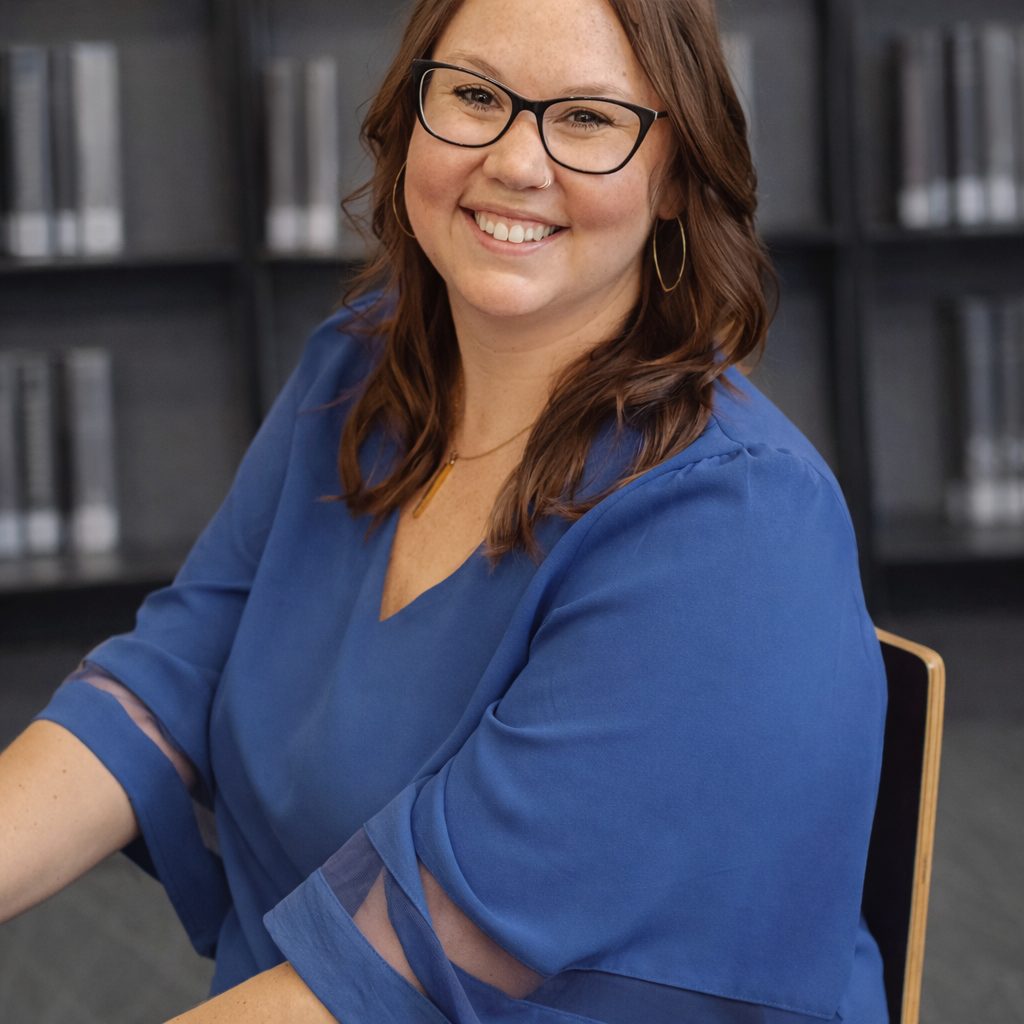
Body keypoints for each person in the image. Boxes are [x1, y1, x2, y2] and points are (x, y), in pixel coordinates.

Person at [0, 0, 890, 1020]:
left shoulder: (732, 527)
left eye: (588, 119)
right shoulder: (359, 373)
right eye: (473, 96)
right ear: (407, 116)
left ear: (679, 175)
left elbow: (418, 962)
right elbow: (161, 688)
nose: (515, 161)